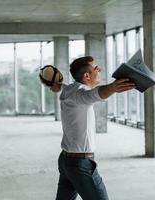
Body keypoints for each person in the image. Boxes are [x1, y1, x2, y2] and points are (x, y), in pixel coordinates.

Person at [51, 56, 135, 200]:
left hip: (66, 160)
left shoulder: (69, 90)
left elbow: (61, 87)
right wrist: (113, 87)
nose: (100, 70)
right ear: (87, 76)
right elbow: (94, 94)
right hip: (80, 164)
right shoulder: (80, 94)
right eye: (96, 68)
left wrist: (55, 84)